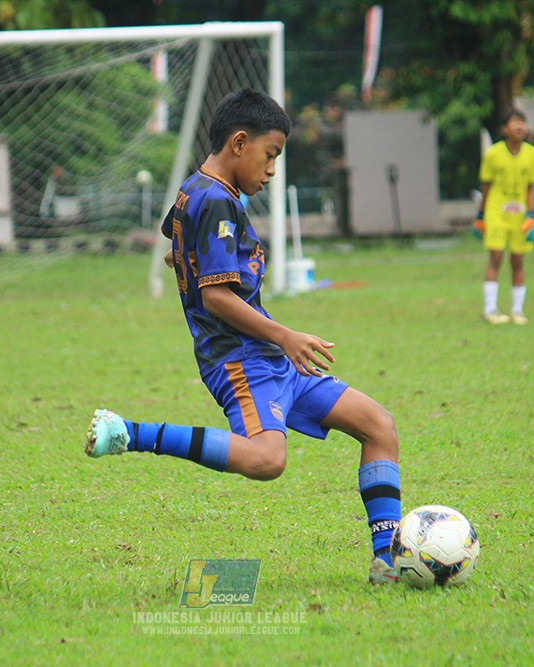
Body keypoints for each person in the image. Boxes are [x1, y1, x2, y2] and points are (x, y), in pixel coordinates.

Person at [84, 90, 402, 585]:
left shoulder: (199, 189)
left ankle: (388, 560)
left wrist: (187, 261)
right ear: (239, 142)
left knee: (378, 426)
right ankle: (129, 432)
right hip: (241, 359)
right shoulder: (215, 201)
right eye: (270, 154)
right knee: (265, 459)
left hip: (270, 356)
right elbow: (218, 299)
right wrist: (287, 335)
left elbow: (174, 234)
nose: (272, 169)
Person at [474, 109, 534, 324]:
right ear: (505, 129)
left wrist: (532, 216)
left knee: (518, 260)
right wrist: (481, 215)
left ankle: (517, 310)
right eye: (515, 123)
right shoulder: (493, 154)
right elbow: (486, 186)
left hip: (520, 215)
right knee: (496, 257)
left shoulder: (532, 154)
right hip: (496, 212)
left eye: (522, 122)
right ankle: (490, 309)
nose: (520, 127)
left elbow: (531, 188)